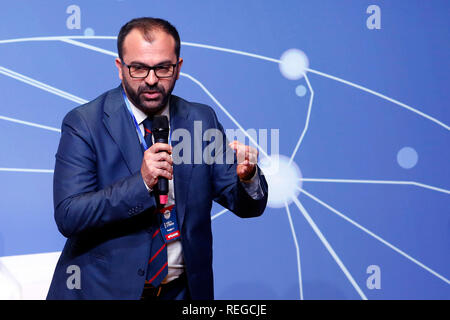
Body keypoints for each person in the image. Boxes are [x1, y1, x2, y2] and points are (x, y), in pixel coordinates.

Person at [46, 17, 268, 300]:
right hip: (103, 293)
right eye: (138, 68)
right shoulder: (85, 124)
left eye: (162, 68)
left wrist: (247, 178)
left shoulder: (200, 120)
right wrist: (142, 183)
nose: (151, 80)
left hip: (181, 293)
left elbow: (247, 206)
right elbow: (69, 216)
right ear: (120, 68)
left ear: (178, 68)